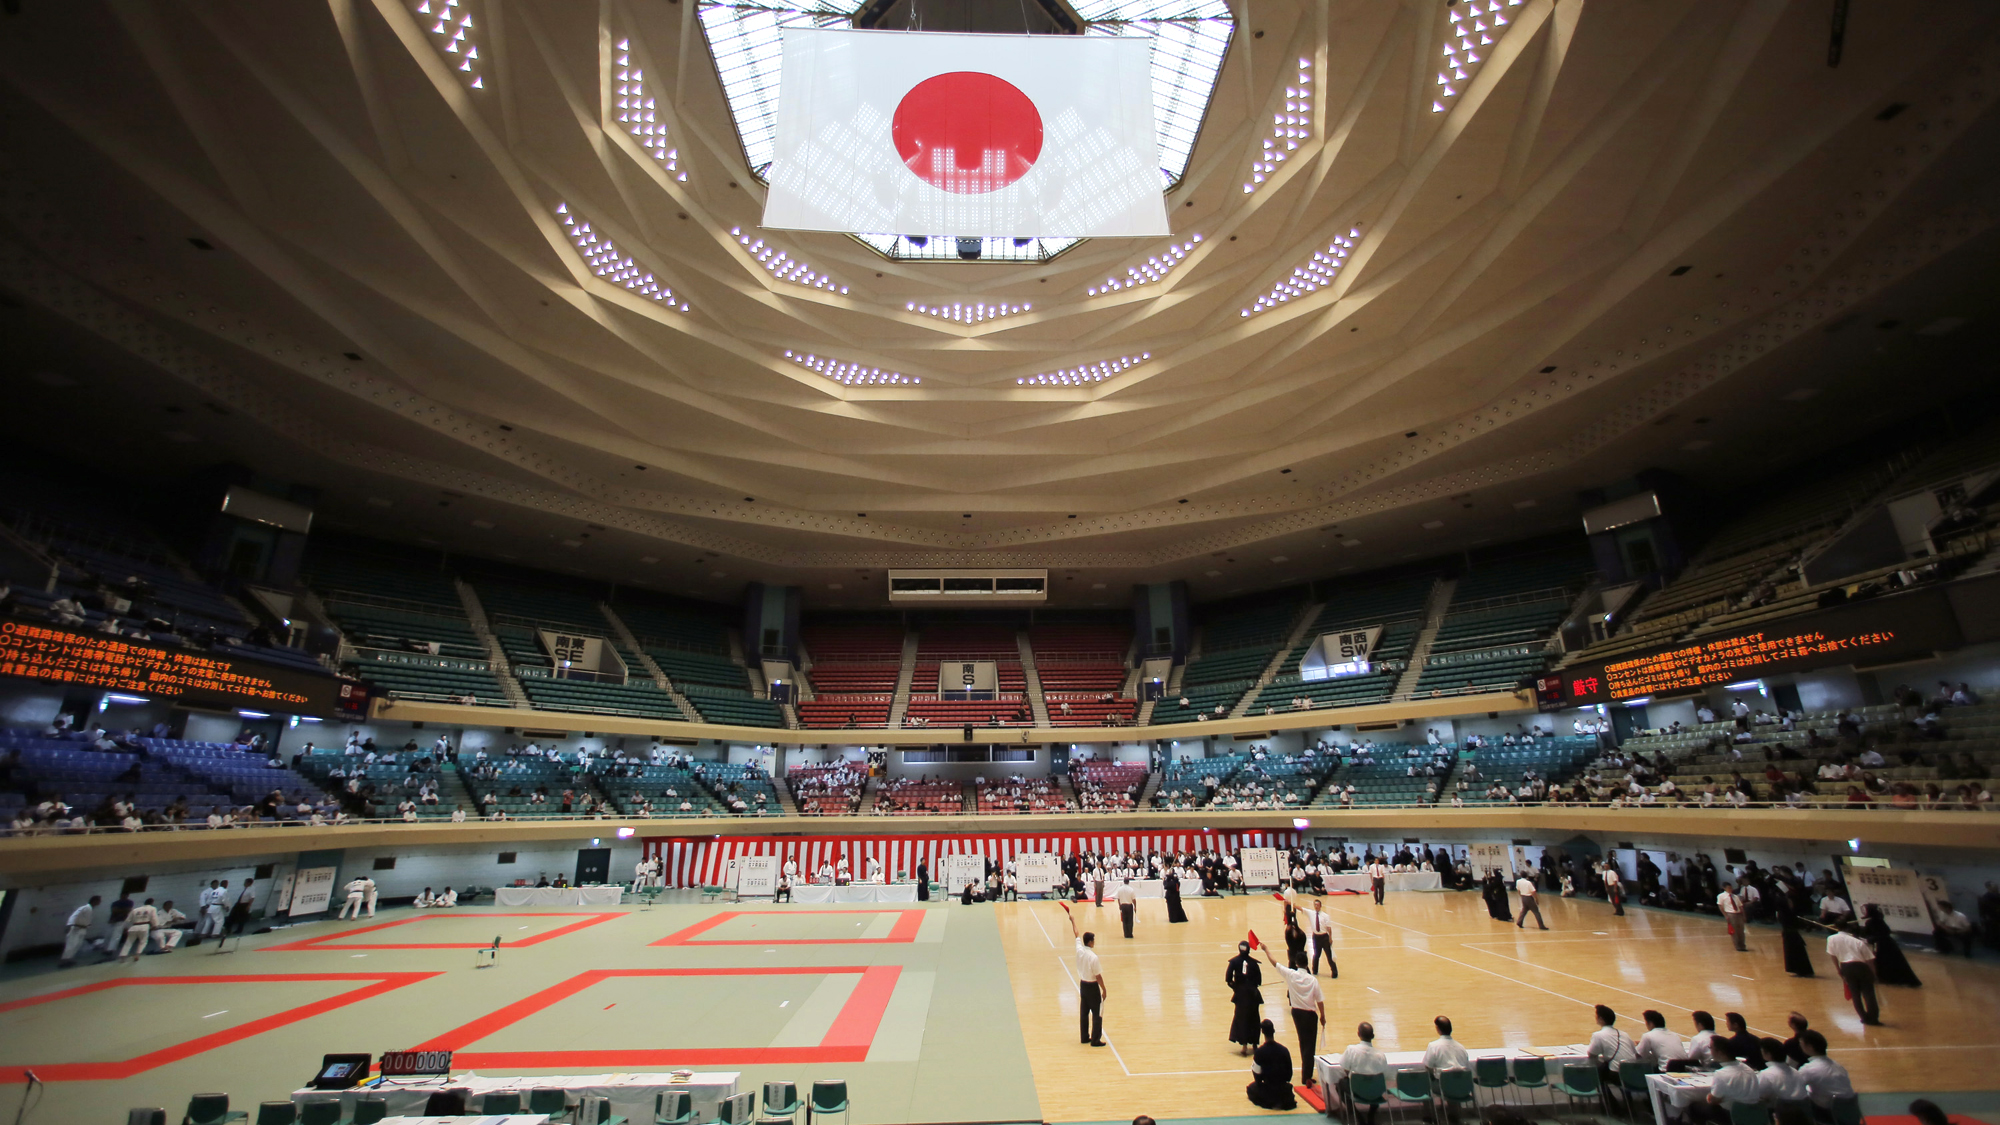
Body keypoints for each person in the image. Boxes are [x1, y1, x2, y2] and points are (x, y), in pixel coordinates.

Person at [1260, 941, 1326, 1085]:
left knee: (1303, 1042)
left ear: (1296, 963)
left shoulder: (1291, 975)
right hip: (1310, 1014)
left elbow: (1275, 963)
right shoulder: (1313, 980)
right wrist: (1322, 1016)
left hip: (1297, 1013)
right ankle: (1306, 1076)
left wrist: (1266, 949)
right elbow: (1319, 1000)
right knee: (1310, 1045)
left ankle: (1306, 1072)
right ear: (1306, 964)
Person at [1067, 906, 1107, 1046]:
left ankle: (1084, 1036)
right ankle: (1095, 1039)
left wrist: (1073, 921)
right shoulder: (1093, 957)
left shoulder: (1079, 950)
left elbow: (1076, 934)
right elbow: (1098, 976)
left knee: (1084, 1012)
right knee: (1097, 1013)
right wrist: (1104, 989)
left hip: (1083, 985)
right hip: (1092, 986)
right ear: (1090, 942)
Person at [1826, 922, 1880, 1025]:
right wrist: (1874, 974)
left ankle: (1863, 1018)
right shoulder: (1858, 942)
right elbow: (1869, 960)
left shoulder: (1831, 938)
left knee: (1855, 994)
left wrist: (1838, 970)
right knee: (1869, 994)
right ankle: (1873, 1019)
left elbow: (1833, 956)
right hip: (1861, 967)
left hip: (1845, 967)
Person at [1587, 1004, 1637, 1112]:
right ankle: (1630, 1106)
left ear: (1600, 1019)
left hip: (1617, 1073)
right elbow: (1634, 1051)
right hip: (1633, 1073)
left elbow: (1591, 1054)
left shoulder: (1598, 1035)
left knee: (1598, 1075)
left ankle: (1612, 1106)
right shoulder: (1624, 1034)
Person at [1335, 1022, 1388, 1124]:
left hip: (1357, 1089)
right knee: (1376, 1083)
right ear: (1373, 1036)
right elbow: (1383, 1073)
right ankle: (1371, 1114)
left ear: (1358, 1034)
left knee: (1341, 1083)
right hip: (1375, 1091)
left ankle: (1356, 1114)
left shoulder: (1351, 1050)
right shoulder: (1380, 1054)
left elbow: (1345, 1069)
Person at [1701, 1040, 1762, 1124]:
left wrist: (1708, 1096)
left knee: (1696, 1107)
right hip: (1754, 1112)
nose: (1710, 1051)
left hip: (1732, 1114)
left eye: (1711, 1048)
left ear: (1720, 1052)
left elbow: (1713, 1100)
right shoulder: (1748, 1069)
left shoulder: (1721, 1074)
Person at [1860, 904, 1921, 987]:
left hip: (1880, 945)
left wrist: (1868, 939)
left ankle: (1888, 979)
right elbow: (1887, 931)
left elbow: (1873, 934)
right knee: (1897, 961)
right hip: (1890, 944)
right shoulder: (1880, 919)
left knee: (1882, 962)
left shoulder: (1870, 922)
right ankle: (1904, 980)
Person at [1797, 1031, 1854, 1120]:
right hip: (1850, 1110)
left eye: (1801, 1043)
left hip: (1828, 1112)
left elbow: (1796, 1089)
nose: (1800, 1046)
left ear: (1810, 1047)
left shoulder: (1808, 1069)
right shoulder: (1838, 1065)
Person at [1246, 1018, 1297, 1109]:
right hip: (1283, 1089)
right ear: (1273, 1031)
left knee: (1251, 1088)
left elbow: (1256, 1075)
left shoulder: (1259, 1052)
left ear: (1262, 1032)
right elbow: (1289, 1074)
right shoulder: (1284, 1050)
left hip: (1268, 1088)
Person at [1758, 1038, 1811, 1125]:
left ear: (1768, 1054)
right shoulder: (1796, 1072)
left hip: (1780, 1115)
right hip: (1803, 1116)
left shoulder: (1766, 1074)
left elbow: (1758, 1096)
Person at [1226, 942, 1264, 1055]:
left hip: (1240, 996)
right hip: (1253, 995)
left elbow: (1228, 979)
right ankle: (1255, 1044)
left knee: (1241, 1019)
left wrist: (1236, 988)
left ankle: (1244, 1046)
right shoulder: (1254, 963)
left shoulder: (1233, 962)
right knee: (1254, 1018)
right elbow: (1259, 981)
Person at [1776, 888, 1815, 977]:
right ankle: (1800, 970)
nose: (1791, 904)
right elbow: (1795, 923)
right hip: (1791, 934)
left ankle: (1801, 970)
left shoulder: (1784, 913)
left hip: (1791, 934)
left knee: (1796, 952)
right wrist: (1805, 926)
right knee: (1795, 953)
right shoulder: (1786, 914)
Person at [60, 895, 100, 967]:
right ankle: (64, 960)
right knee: (71, 945)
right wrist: (70, 925)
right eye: (99, 901)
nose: (100, 902)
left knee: (77, 945)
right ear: (95, 901)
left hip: (81, 929)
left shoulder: (89, 908)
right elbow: (74, 917)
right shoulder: (86, 908)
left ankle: (69, 959)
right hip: (76, 928)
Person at [119, 898, 160, 963]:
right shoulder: (152, 908)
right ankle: (137, 954)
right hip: (144, 926)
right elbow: (154, 917)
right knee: (143, 941)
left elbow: (127, 920)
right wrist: (155, 925)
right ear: (152, 902)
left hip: (134, 927)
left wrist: (125, 928)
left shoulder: (135, 910)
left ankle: (123, 956)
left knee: (128, 942)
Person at [1303, 898, 1337, 977]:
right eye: (1315, 905)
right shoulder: (1311, 913)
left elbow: (1329, 928)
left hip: (1324, 937)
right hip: (1316, 937)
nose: (1316, 906)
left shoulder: (1325, 916)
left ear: (1320, 906)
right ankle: (1315, 970)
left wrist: (1330, 938)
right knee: (1316, 955)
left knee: (1329, 955)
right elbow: (1301, 909)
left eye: (1317, 905)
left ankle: (1334, 972)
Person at [1718, 884, 1748, 952]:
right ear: (1724, 888)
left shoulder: (1735, 896)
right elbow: (1721, 906)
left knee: (1741, 931)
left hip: (1738, 913)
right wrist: (1726, 915)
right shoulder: (1721, 896)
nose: (1730, 889)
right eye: (1728, 888)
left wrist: (1743, 915)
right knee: (1734, 931)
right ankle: (1737, 946)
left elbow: (1740, 906)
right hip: (1730, 913)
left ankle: (1742, 945)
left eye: (1731, 888)